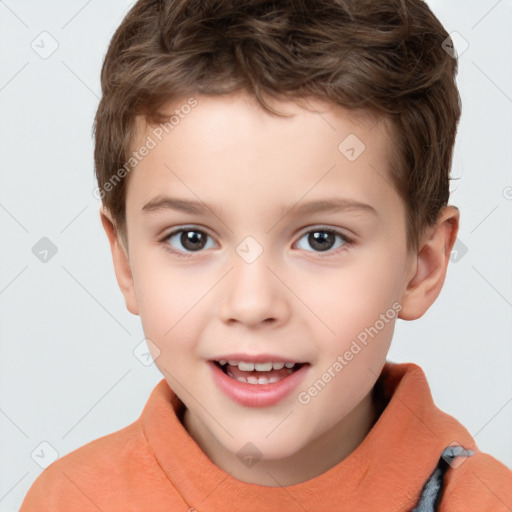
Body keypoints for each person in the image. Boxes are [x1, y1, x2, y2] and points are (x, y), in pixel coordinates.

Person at [20, 0, 512, 510]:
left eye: (321, 239)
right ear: (125, 262)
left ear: (422, 267)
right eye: (192, 238)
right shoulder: (72, 499)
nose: (252, 303)